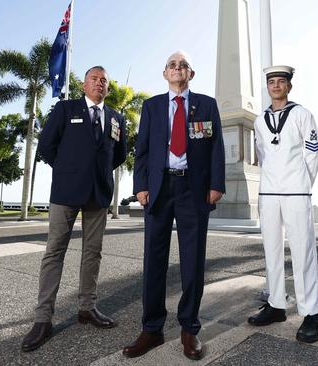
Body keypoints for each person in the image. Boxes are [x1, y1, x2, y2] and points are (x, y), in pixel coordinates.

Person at [123, 51, 225, 360]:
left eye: (183, 65)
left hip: (193, 188)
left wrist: (216, 184)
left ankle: (189, 328)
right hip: (159, 189)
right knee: (154, 258)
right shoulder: (152, 106)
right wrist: (140, 186)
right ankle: (152, 328)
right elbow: (142, 150)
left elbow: (216, 147)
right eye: (172, 65)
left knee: (193, 259)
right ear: (165, 73)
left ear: (191, 74)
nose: (177, 68)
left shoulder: (206, 105)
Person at [21, 66, 127, 352]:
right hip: (65, 192)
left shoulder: (116, 118)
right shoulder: (66, 109)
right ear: (84, 84)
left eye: (104, 80)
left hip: (98, 194)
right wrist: (69, 169)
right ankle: (43, 318)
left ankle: (87, 308)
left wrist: (96, 174)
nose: (99, 83)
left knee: (93, 252)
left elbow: (119, 155)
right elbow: (46, 146)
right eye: (94, 78)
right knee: (55, 251)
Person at [247, 65, 318, 343]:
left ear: (289, 86)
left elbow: (314, 152)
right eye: (272, 82)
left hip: (296, 192)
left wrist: (303, 183)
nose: (276, 86)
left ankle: (312, 313)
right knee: (271, 250)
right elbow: (261, 155)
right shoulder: (259, 120)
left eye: (281, 82)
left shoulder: (302, 114)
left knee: (303, 251)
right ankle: (277, 304)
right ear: (267, 87)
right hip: (268, 193)